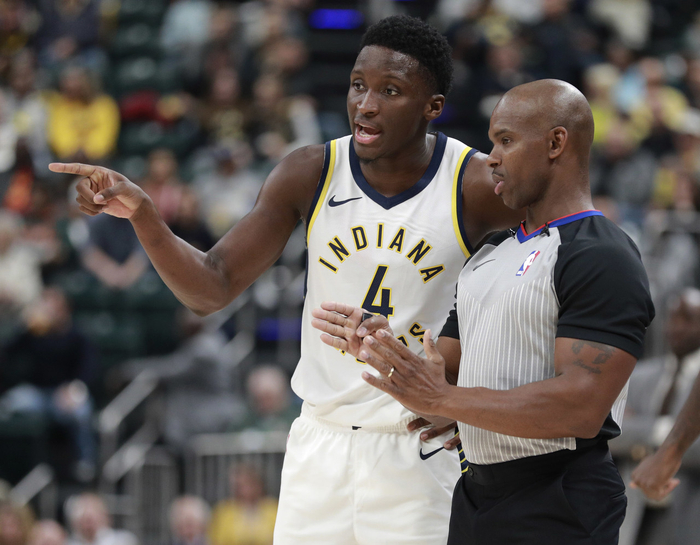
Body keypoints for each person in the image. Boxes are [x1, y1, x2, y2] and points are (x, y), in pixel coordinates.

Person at [50, 15, 522, 543]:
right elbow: (211, 286)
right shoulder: (310, 171)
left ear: (432, 106)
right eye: (358, 85)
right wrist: (144, 216)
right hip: (318, 445)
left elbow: (548, 282)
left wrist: (468, 400)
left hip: (417, 445)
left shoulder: (475, 182)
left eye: (390, 91)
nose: (366, 104)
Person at [319, 79, 655, 544]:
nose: (491, 157)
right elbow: (445, 380)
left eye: (506, 141)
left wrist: (445, 402)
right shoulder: (489, 252)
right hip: (475, 493)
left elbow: (581, 407)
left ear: (556, 143)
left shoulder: (601, 255)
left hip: (559, 497)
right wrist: (385, 351)